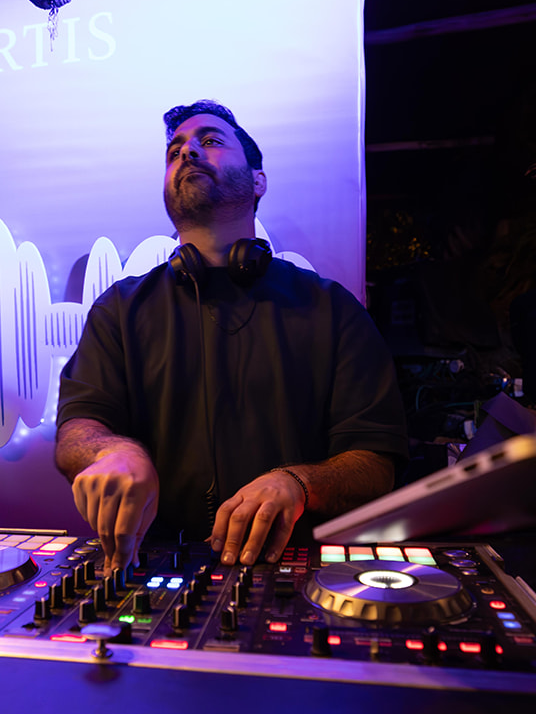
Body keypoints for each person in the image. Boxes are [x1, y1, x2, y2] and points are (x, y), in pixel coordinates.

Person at [54, 101, 407, 573]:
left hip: (293, 572)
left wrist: (300, 483)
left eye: (211, 141)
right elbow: (78, 429)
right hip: (154, 570)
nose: (188, 153)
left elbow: (376, 462)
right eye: (175, 151)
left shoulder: (332, 308)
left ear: (258, 181)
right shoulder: (119, 309)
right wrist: (112, 451)